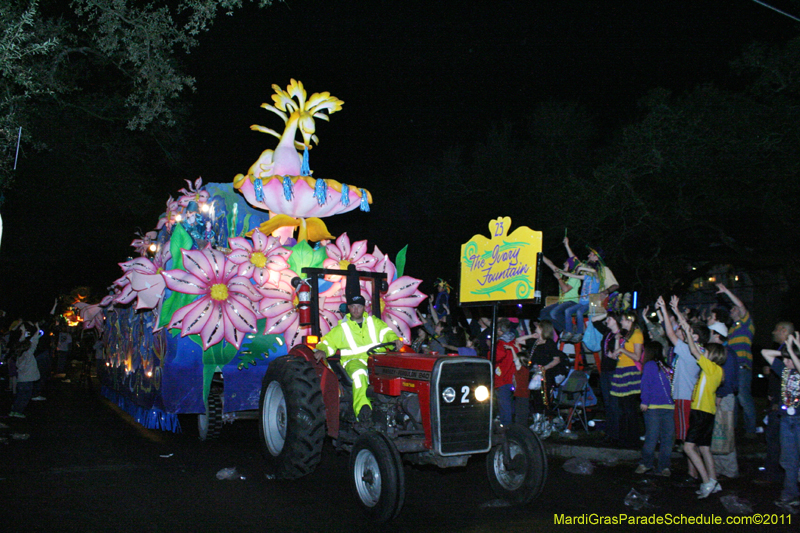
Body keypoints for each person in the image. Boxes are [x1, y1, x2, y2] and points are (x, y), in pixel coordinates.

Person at [314, 294, 402, 425]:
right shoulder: (342, 328)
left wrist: (394, 340)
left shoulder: (375, 323)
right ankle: (363, 412)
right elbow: (328, 342)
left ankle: (401, 412)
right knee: (359, 374)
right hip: (354, 362)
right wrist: (322, 350)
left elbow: (386, 333)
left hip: (377, 361)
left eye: (359, 306)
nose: (356, 310)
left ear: (364, 308)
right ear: (349, 308)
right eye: (353, 306)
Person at [657, 295, 707, 483]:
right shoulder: (697, 351)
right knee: (688, 440)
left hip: (685, 398)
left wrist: (665, 310)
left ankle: (695, 475)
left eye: (688, 331)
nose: (683, 332)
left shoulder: (689, 351)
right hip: (687, 397)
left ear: (695, 337)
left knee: (688, 441)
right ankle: (693, 473)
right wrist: (675, 311)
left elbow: (671, 334)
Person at [678, 315, 727, 499]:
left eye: (706, 352)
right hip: (708, 412)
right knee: (704, 448)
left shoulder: (711, 367)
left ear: (712, 355)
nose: (703, 353)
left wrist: (689, 333)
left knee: (689, 448)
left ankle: (706, 481)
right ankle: (714, 480)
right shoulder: (717, 370)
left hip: (701, 412)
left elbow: (693, 350)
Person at [762, 332, 800, 513]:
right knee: (788, 459)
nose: (786, 362)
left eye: (789, 359)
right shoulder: (784, 370)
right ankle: (790, 493)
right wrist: (786, 351)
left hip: (799, 420)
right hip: (786, 420)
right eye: (785, 359)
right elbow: (765, 353)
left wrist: (793, 351)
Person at [716, 283, 757, 437]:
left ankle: (750, 431)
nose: (732, 310)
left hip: (742, 367)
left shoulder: (746, 325)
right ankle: (732, 430)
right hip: (732, 369)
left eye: (734, 308)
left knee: (744, 399)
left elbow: (740, 305)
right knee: (732, 400)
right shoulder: (732, 329)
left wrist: (727, 291)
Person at [637, 342, 675, 477]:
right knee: (667, 439)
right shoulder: (667, 367)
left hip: (653, 406)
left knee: (651, 437)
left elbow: (645, 384)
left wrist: (644, 401)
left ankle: (646, 463)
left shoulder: (649, 365)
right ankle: (664, 466)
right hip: (669, 406)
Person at [708, 321, 740, 480]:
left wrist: (719, 396)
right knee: (719, 432)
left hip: (723, 397)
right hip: (724, 396)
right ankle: (720, 468)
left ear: (716, 334)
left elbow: (726, 379)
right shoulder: (727, 351)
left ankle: (729, 469)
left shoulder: (725, 353)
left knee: (723, 431)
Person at [609, 311, 644, 448]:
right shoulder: (626, 335)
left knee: (629, 407)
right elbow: (617, 353)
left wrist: (622, 351)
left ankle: (632, 438)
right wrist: (617, 339)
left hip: (630, 371)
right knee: (623, 407)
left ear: (630, 321)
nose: (621, 322)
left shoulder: (637, 334)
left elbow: (636, 356)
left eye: (622, 320)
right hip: (621, 369)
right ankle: (624, 437)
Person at [591, 311, 624, 445]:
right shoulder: (607, 332)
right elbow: (594, 320)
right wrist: (605, 314)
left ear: (616, 320)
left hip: (614, 371)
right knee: (608, 403)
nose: (607, 321)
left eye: (609, 319)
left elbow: (620, 355)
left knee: (614, 404)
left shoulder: (621, 334)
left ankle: (615, 434)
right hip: (605, 371)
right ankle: (610, 433)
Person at [539, 248, 582, 333]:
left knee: (554, 313)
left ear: (570, 266)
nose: (564, 263)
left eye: (566, 263)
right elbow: (550, 264)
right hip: (562, 302)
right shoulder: (563, 274)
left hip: (571, 302)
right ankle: (562, 329)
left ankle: (571, 328)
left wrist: (559, 278)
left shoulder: (574, 277)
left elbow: (565, 289)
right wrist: (540, 254)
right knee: (543, 313)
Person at [9, 322, 41, 418]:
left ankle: (14, 410)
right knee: (25, 397)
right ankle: (18, 412)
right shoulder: (28, 354)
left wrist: (23, 332)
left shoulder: (19, 353)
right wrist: (37, 328)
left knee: (19, 396)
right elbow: (35, 341)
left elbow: (21, 342)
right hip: (28, 380)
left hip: (21, 379)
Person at [493, 318, 520, 428]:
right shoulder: (514, 340)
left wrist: (491, 350)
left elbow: (497, 357)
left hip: (502, 377)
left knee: (504, 403)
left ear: (499, 329)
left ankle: (506, 427)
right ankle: (511, 424)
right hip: (512, 376)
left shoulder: (501, 343)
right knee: (510, 402)